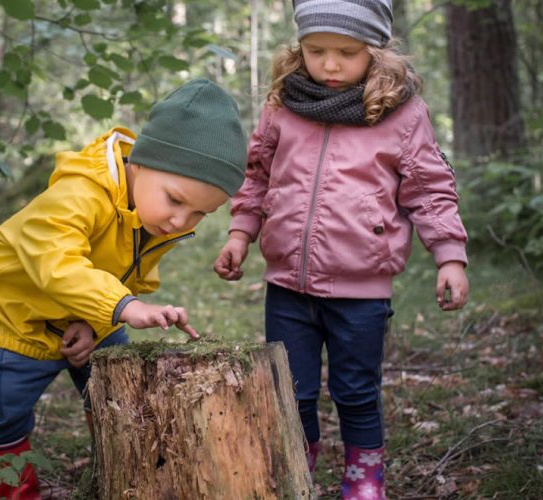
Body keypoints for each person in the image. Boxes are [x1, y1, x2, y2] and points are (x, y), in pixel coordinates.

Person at [214, 1, 468, 498]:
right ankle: (297, 465)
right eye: (316, 51)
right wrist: (240, 233)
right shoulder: (283, 104)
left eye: (346, 53)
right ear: (299, 49)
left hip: (361, 290)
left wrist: (450, 256)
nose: (329, 65)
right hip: (288, 286)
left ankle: (365, 475)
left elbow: (429, 189)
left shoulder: (402, 113)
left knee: (355, 390)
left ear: (375, 51)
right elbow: (257, 175)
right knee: (294, 391)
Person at [0, 78, 247, 499]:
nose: (180, 222)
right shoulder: (81, 192)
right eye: (175, 200)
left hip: (96, 308)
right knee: (6, 413)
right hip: (14, 317)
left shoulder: (153, 216)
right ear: (142, 163)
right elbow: (54, 263)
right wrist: (123, 306)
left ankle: (119, 469)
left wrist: (93, 320)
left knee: (114, 387)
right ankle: (13, 486)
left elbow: (125, 272)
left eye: (199, 214)